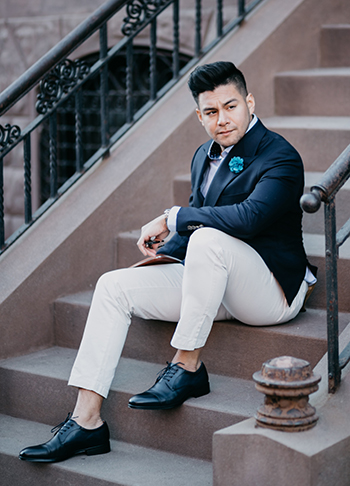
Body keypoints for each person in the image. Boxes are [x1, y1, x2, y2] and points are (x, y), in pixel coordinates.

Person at [19, 61, 316, 463]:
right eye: (211, 112)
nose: (222, 120)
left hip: (271, 291)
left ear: (249, 102)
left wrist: (172, 216)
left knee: (209, 238)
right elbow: (196, 223)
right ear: (199, 116)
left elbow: (248, 219)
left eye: (230, 107)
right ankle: (86, 422)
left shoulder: (280, 155)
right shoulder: (202, 156)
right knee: (113, 286)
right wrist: (167, 247)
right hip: (216, 283)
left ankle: (188, 366)